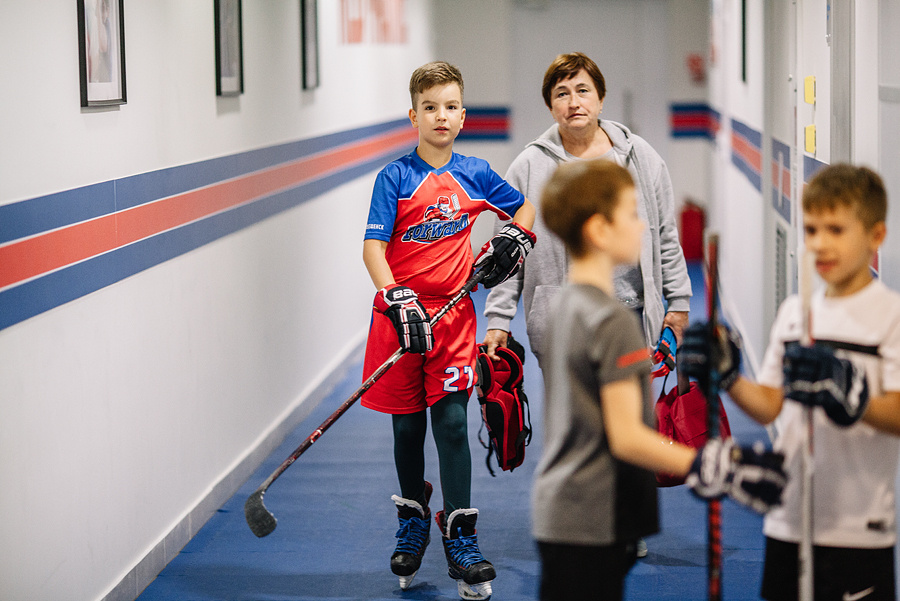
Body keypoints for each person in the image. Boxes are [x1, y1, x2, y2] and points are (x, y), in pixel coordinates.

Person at [533, 158, 785, 601]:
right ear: (599, 230)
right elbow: (627, 436)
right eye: (632, 214)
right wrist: (712, 464)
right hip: (594, 514)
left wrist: (641, 362)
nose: (642, 226)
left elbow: (597, 392)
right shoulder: (614, 321)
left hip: (563, 509)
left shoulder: (566, 306)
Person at [680, 163, 900, 601]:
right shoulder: (795, 314)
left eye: (836, 230)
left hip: (860, 531)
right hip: (787, 522)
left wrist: (854, 399)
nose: (820, 243)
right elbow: (771, 405)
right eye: (812, 229)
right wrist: (729, 378)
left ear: (876, 236)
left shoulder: (890, 316)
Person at [361, 61, 536, 600]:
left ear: (463, 115)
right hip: (400, 320)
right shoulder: (394, 177)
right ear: (413, 115)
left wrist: (514, 238)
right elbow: (373, 246)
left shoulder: (477, 172)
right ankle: (413, 520)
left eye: (451, 106)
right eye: (430, 106)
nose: (442, 115)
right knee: (407, 430)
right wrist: (394, 295)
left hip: (455, 320)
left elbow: (524, 209)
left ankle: (461, 535)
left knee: (454, 424)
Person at [483, 52, 692, 368]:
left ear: (601, 98)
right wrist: (498, 317)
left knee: (629, 409)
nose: (573, 102)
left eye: (583, 90)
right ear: (551, 107)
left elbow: (665, 233)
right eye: (562, 94)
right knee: (574, 413)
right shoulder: (527, 168)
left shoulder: (641, 158)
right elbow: (508, 251)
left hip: (632, 312)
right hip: (563, 320)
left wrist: (678, 302)